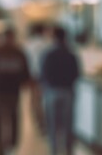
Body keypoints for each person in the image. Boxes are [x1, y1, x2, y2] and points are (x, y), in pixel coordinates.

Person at [0, 28, 30, 155]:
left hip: (4, 92)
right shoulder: (17, 52)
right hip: (5, 92)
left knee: (7, 119)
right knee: (7, 118)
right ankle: (6, 147)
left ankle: (6, 146)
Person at [40, 26, 80, 155]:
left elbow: (43, 74)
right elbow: (77, 74)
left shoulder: (48, 54)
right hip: (67, 92)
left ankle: (54, 150)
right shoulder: (71, 54)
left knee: (53, 124)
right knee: (67, 125)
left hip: (52, 92)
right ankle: (68, 150)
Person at [23, 23, 52, 134]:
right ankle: (44, 122)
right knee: (43, 99)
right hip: (45, 76)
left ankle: (38, 121)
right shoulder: (47, 44)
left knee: (34, 100)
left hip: (32, 76)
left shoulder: (29, 44)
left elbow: (26, 61)